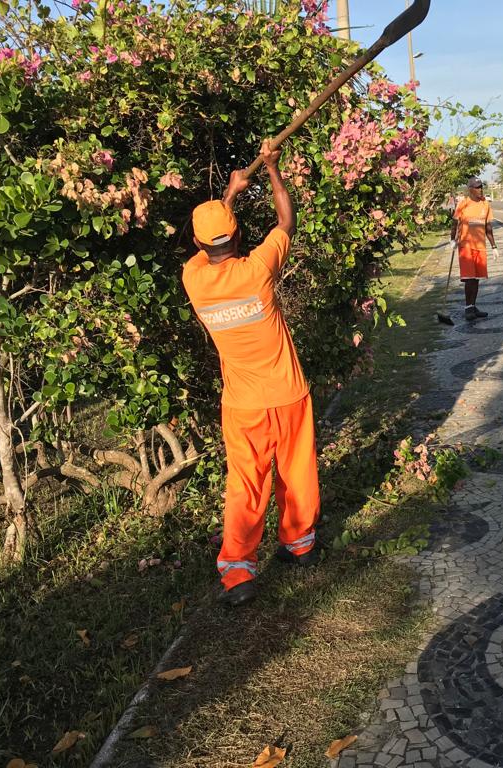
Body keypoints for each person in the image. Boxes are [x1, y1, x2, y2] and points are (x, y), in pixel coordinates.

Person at [181, 140, 320, 607]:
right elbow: (286, 222)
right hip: (289, 393)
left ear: (198, 245)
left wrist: (228, 195)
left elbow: (212, 239)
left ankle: (239, 572)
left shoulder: (193, 280)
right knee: (296, 471)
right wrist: (274, 170)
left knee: (247, 481)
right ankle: (299, 544)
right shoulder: (258, 269)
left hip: (243, 405)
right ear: (239, 236)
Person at [450, 178, 499, 321]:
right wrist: (452, 240)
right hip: (466, 246)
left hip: (480, 247)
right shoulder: (463, 203)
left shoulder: (485, 204)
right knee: (469, 279)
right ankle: (468, 308)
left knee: (477, 279)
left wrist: (494, 246)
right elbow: (454, 223)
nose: (480, 190)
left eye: (481, 187)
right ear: (470, 189)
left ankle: (473, 305)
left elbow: (488, 228)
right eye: (477, 187)